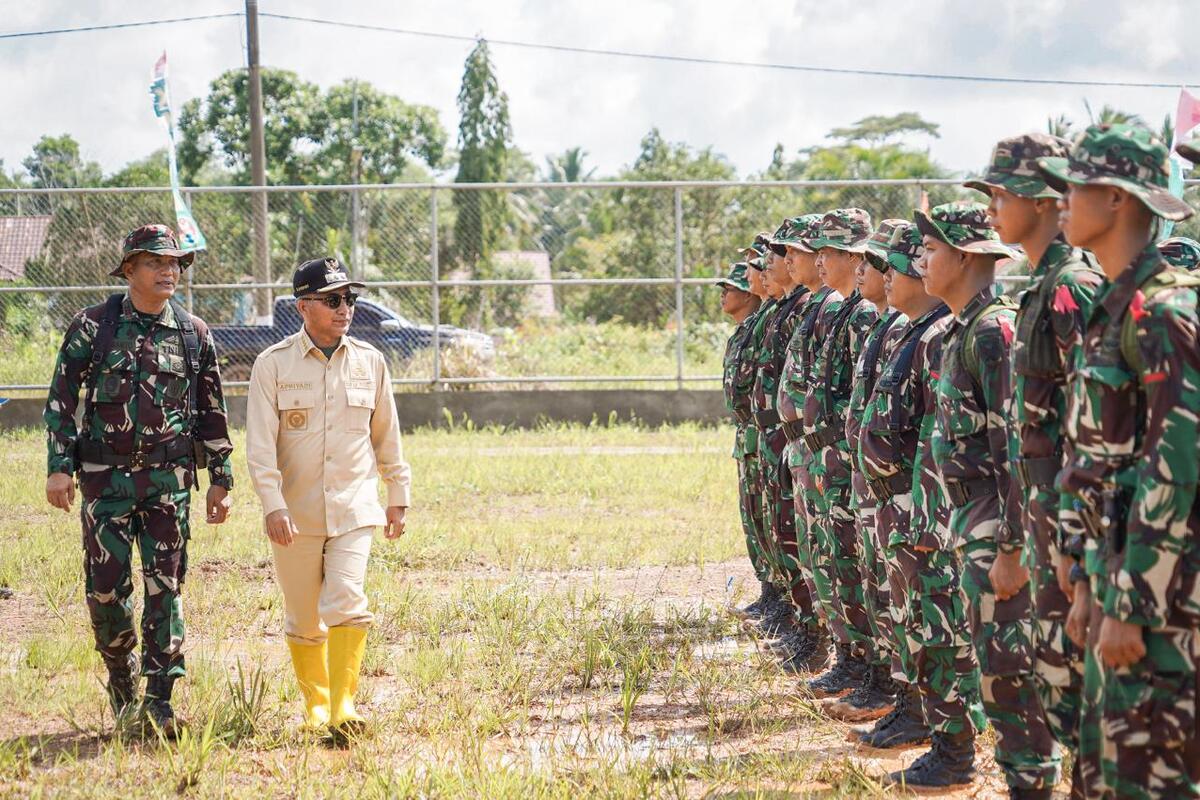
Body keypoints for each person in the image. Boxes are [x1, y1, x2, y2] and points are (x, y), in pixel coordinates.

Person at [1040, 123, 1200, 799]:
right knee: (1108, 773)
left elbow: (1177, 469)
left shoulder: (1164, 312)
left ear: (1117, 200)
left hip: (1161, 604)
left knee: (1151, 777)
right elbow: (1095, 463)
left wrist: (1131, 602)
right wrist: (1084, 583)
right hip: (1114, 583)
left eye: (1076, 187)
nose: (1062, 202)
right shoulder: (1114, 309)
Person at [43, 224, 234, 737]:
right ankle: (120, 676)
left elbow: (211, 409)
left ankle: (160, 697)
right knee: (106, 592)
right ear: (130, 270)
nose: (168, 271)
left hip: (168, 484)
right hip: (105, 483)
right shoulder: (94, 325)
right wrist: (59, 466)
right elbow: (61, 399)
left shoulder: (194, 333)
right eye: (155, 262)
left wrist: (220, 476)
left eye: (174, 263)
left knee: (164, 588)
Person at [965, 133, 1104, 798]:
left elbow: (1090, 434)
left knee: (1083, 707)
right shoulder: (1041, 287)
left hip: (1070, 536)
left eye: (1002, 193)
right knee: (1059, 692)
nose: (993, 207)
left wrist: (1074, 558)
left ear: (1046, 199)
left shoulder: (1070, 290)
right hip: (1050, 530)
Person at [918, 200, 1060, 797]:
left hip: (998, 531)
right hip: (972, 523)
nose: (921, 261)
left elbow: (1017, 451)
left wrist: (1012, 548)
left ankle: (1034, 785)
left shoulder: (993, 331)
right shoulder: (962, 329)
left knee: (1012, 678)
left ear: (966, 254)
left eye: (930, 249)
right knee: (997, 677)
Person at [245, 257, 412, 742]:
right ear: (304, 306)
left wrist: (397, 494)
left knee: (347, 601)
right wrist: (272, 504)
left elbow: (387, 436)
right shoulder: (273, 365)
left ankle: (343, 705)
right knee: (302, 614)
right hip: (294, 514)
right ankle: (315, 705)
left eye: (350, 299)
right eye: (334, 299)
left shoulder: (370, 362)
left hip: (356, 507)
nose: (346, 309)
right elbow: (259, 445)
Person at [858, 221, 987, 786]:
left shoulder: (963, 334)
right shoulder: (929, 332)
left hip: (936, 513)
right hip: (915, 507)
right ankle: (937, 736)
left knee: (942, 630)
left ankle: (956, 753)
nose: (886, 279)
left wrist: (921, 508)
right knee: (920, 626)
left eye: (896, 266)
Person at [800, 209, 883, 708]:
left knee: (854, 562)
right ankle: (853, 659)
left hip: (847, 457)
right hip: (830, 455)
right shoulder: (848, 311)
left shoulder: (864, 315)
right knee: (836, 559)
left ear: (855, 257)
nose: (821, 261)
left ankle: (869, 667)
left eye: (829, 252)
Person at [830, 219, 909, 722]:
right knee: (868, 577)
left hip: (901, 492)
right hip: (868, 479)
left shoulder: (905, 328)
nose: (862, 270)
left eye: (872, 263)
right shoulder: (882, 324)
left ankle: (903, 696)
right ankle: (875, 676)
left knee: (901, 596)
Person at [717, 261, 771, 618]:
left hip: (763, 433)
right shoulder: (743, 331)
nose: (723, 293)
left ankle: (781, 597)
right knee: (755, 517)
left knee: (769, 518)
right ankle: (771, 591)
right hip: (747, 434)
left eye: (730, 286)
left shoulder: (760, 327)